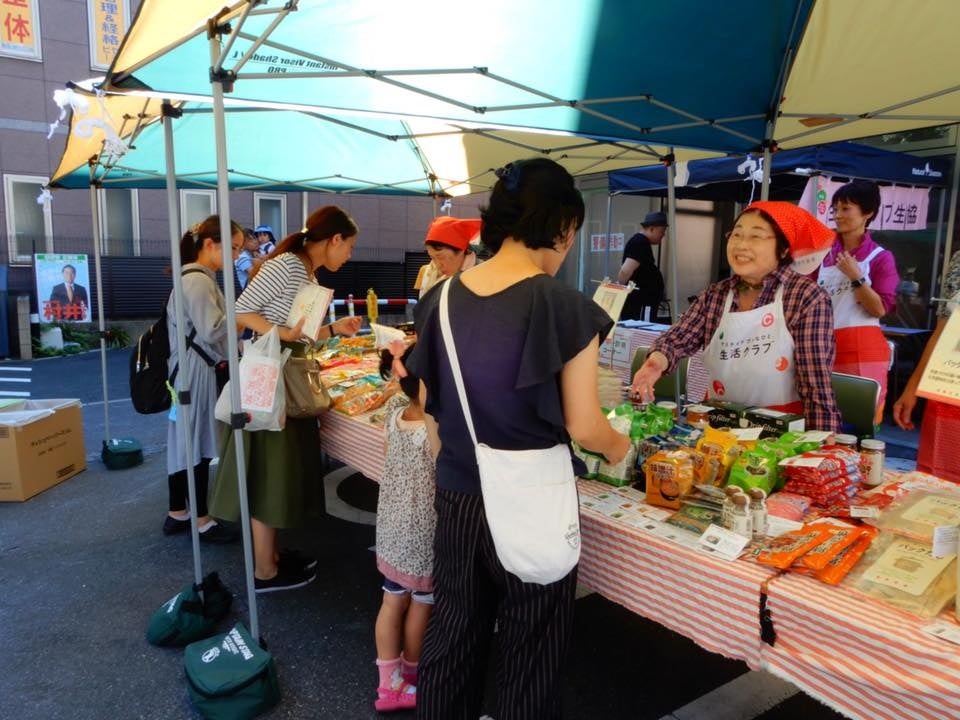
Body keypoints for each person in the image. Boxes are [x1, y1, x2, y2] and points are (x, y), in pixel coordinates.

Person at [407, 158, 631, 719]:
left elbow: (429, 410)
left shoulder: (441, 298)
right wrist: (620, 448)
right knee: (531, 643)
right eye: (572, 235)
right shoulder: (565, 307)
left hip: (458, 489)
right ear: (560, 228)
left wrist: (460, 465)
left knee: (455, 628)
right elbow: (584, 425)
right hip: (533, 496)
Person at [210, 206, 363, 593]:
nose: (349, 256)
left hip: (283, 374)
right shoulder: (289, 266)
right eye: (349, 247)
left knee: (274, 469)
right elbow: (240, 312)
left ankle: (272, 557)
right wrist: (284, 333)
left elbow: (299, 332)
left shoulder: (305, 270)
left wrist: (333, 328)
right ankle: (265, 571)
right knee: (266, 468)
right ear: (334, 239)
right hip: (270, 377)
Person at [632, 201, 841, 432]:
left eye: (756, 237)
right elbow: (678, 338)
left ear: (783, 249)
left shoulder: (807, 297)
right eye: (736, 235)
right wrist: (655, 363)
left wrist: (823, 444)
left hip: (779, 435)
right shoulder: (716, 294)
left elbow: (815, 384)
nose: (741, 245)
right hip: (717, 428)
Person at [164, 216, 242, 544]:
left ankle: (178, 512)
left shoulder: (194, 278)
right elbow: (212, 329)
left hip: (186, 368)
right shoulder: (198, 281)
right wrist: (243, 317)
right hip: (196, 370)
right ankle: (201, 519)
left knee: (184, 440)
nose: (236, 255)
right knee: (196, 443)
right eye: (233, 248)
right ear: (210, 244)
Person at [372, 341, 435, 713]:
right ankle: (411, 676)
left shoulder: (394, 411)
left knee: (391, 599)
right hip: (423, 530)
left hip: (392, 526)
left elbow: (397, 392)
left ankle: (387, 684)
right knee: (422, 604)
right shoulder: (433, 427)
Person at [818, 180, 899, 423]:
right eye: (835, 209)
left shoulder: (880, 257)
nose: (837, 215)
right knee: (822, 419)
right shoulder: (822, 254)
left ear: (868, 213)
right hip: (822, 346)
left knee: (859, 423)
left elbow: (879, 308)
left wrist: (856, 277)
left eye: (846, 209)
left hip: (863, 349)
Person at [893, 249, 960, 482]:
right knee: (937, 484)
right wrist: (913, 387)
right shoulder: (959, 261)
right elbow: (941, 331)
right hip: (949, 387)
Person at [413, 216, 482, 298]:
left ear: (461, 250)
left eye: (441, 257)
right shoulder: (434, 278)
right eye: (432, 258)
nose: (438, 265)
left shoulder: (482, 276)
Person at [617, 210, 667, 321]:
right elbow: (625, 271)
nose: (663, 235)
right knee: (642, 331)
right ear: (652, 228)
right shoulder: (640, 243)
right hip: (640, 304)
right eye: (662, 231)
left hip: (642, 302)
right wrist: (621, 289)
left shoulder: (641, 242)